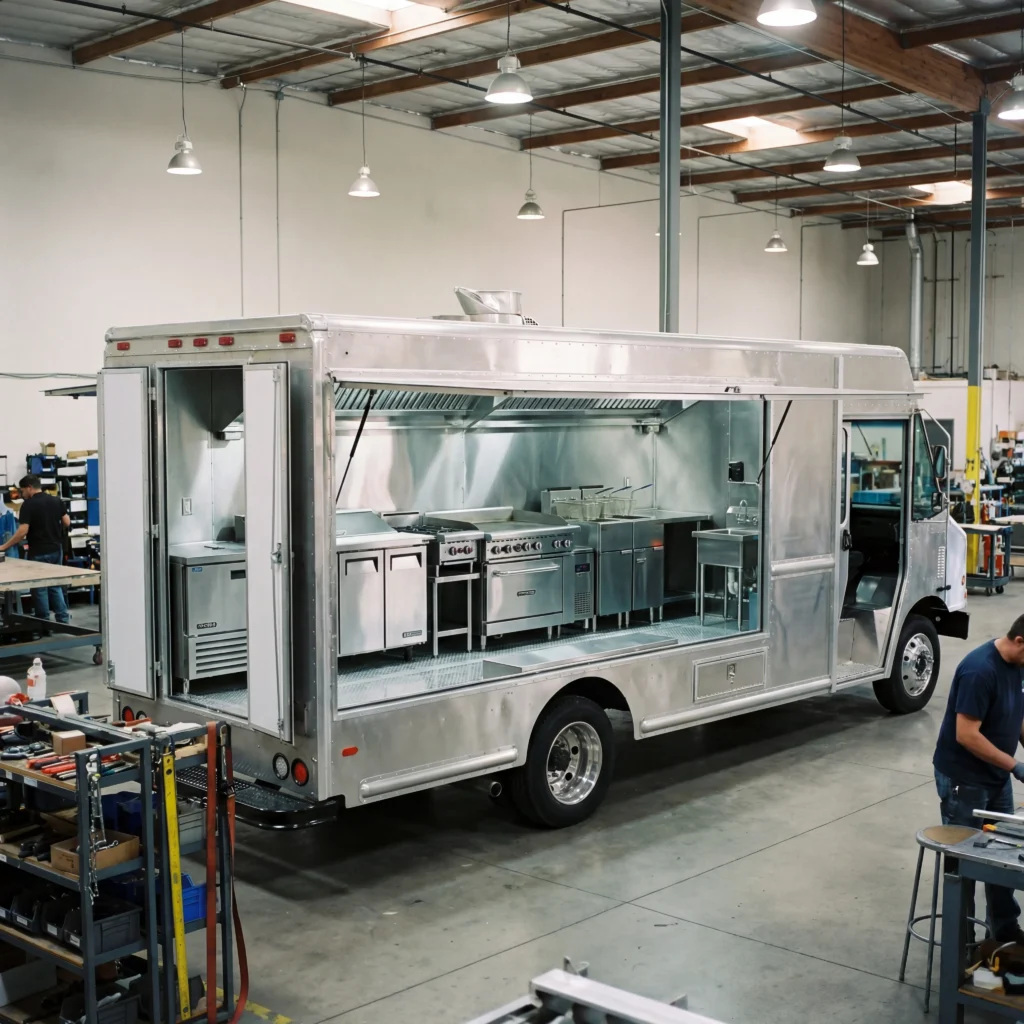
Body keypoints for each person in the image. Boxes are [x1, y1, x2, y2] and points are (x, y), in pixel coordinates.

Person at [933, 615, 1024, 942]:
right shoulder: (979, 671)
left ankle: (1004, 932)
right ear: (1020, 641)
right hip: (965, 780)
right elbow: (966, 735)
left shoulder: (1019, 665)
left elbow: (1018, 715)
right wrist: (1015, 766)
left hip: (995, 777)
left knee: (1004, 856)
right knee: (965, 866)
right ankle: (962, 944)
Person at [0, 475, 70, 625]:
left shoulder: (29, 505)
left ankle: (44, 623)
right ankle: (63, 620)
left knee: (39, 588)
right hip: (56, 549)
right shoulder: (56, 500)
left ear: (29, 487)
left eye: (22, 491)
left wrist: (4, 547)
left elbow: (22, 531)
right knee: (55, 584)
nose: (21, 494)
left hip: (39, 551)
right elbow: (67, 522)